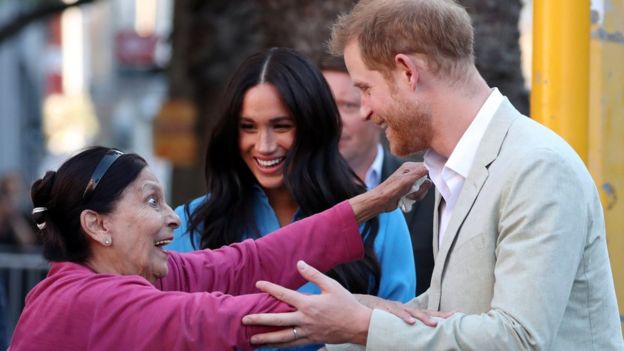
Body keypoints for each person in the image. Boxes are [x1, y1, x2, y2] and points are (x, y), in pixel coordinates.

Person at [242, 0, 624, 350]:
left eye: (365, 89)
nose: (364, 111)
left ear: (407, 71)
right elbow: (448, 313)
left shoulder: (537, 166)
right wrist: (357, 313)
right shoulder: (456, 168)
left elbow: (518, 338)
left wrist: (363, 325)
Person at [8, 146, 429, 351]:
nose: (174, 217)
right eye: (152, 201)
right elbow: (214, 316)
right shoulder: (85, 300)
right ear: (97, 225)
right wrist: (358, 311)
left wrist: (370, 202)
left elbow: (247, 262)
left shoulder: (124, 278)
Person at [166, 47, 416, 351]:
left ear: (314, 127)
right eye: (248, 127)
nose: (264, 145)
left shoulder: (380, 218)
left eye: (281, 126)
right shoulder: (193, 223)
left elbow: (401, 338)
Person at [319, 55, 434, 296]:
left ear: (374, 110)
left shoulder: (431, 189)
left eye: (347, 106)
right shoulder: (286, 196)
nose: (333, 121)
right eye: (323, 107)